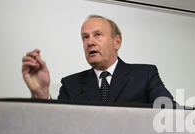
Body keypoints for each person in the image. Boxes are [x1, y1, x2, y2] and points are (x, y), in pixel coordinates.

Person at [21, 15, 174, 104]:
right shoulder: (70, 85)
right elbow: (55, 127)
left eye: (97, 35)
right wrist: (42, 94)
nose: (90, 42)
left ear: (117, 42)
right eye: (85, 37)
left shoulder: (145, 75)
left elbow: (169, 114)